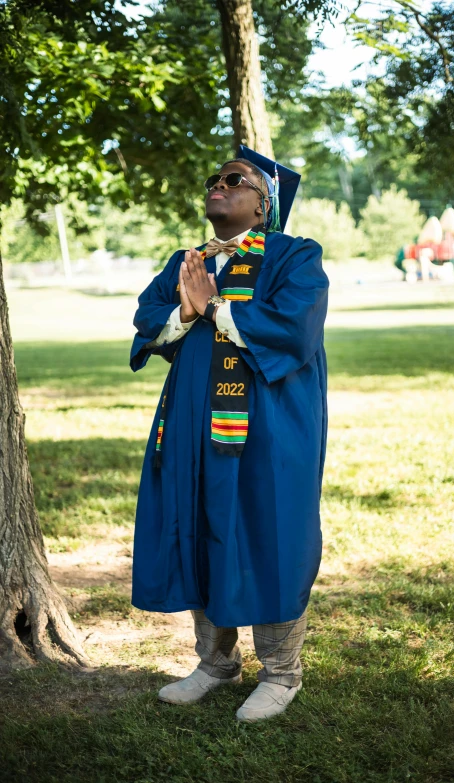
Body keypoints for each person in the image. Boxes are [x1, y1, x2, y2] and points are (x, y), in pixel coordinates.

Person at [130, 146, 328, 722]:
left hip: (269, 423)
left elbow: (294, 329)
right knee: (200, 526)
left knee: (272, 531)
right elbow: (150, 320)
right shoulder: (186, 260)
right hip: (194, 420)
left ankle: (282, 673)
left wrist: (212, 307)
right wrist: (186, 313)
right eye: (214, 178)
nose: (219, 184)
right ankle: (216, 664)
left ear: (264, 203)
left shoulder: (294, 256)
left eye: (234, 179)